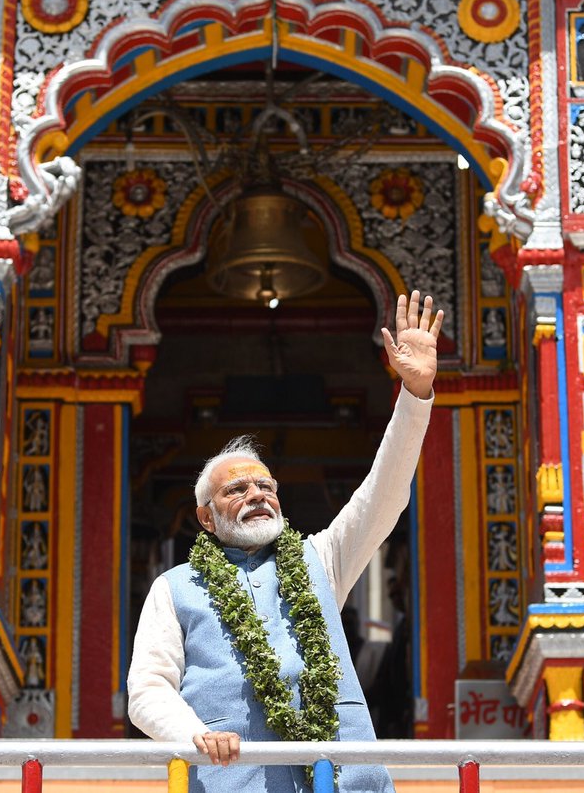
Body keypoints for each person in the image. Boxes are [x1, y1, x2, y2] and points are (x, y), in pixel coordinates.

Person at [128, 291, 443, 792]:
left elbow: (383, 495)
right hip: (231, 782)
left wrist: (415, 394)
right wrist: (194, 735)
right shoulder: (174, 588)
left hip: (342, 780)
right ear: (205, 518)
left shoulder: (321, 558)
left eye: (266, 486)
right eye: (237, 490)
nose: (257, 496)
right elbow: (147, 690)